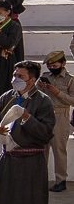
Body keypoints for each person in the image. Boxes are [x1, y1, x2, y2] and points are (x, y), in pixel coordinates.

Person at [0, 61, 56, 204]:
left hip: (31, 159)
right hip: (9, 157)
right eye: (14, 75)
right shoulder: (6, 97)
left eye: (21, 76)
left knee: (31, 200)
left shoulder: (43, 101)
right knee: (9, 199)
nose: (15, 79)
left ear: (32, 80)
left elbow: (46, 133)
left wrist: (27, 117)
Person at [38, 50, 74, 192]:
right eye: (50, 66)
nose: (52, 68)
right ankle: (40, 178)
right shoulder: (45, 77)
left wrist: (56, 92)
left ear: (63, 63)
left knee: (59, 149)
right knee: (42, 149)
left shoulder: (70, 80)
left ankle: (61, 180)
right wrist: (40, 87)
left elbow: (72, 100)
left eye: (55, 65)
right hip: (44, 114)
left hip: (61, 114)